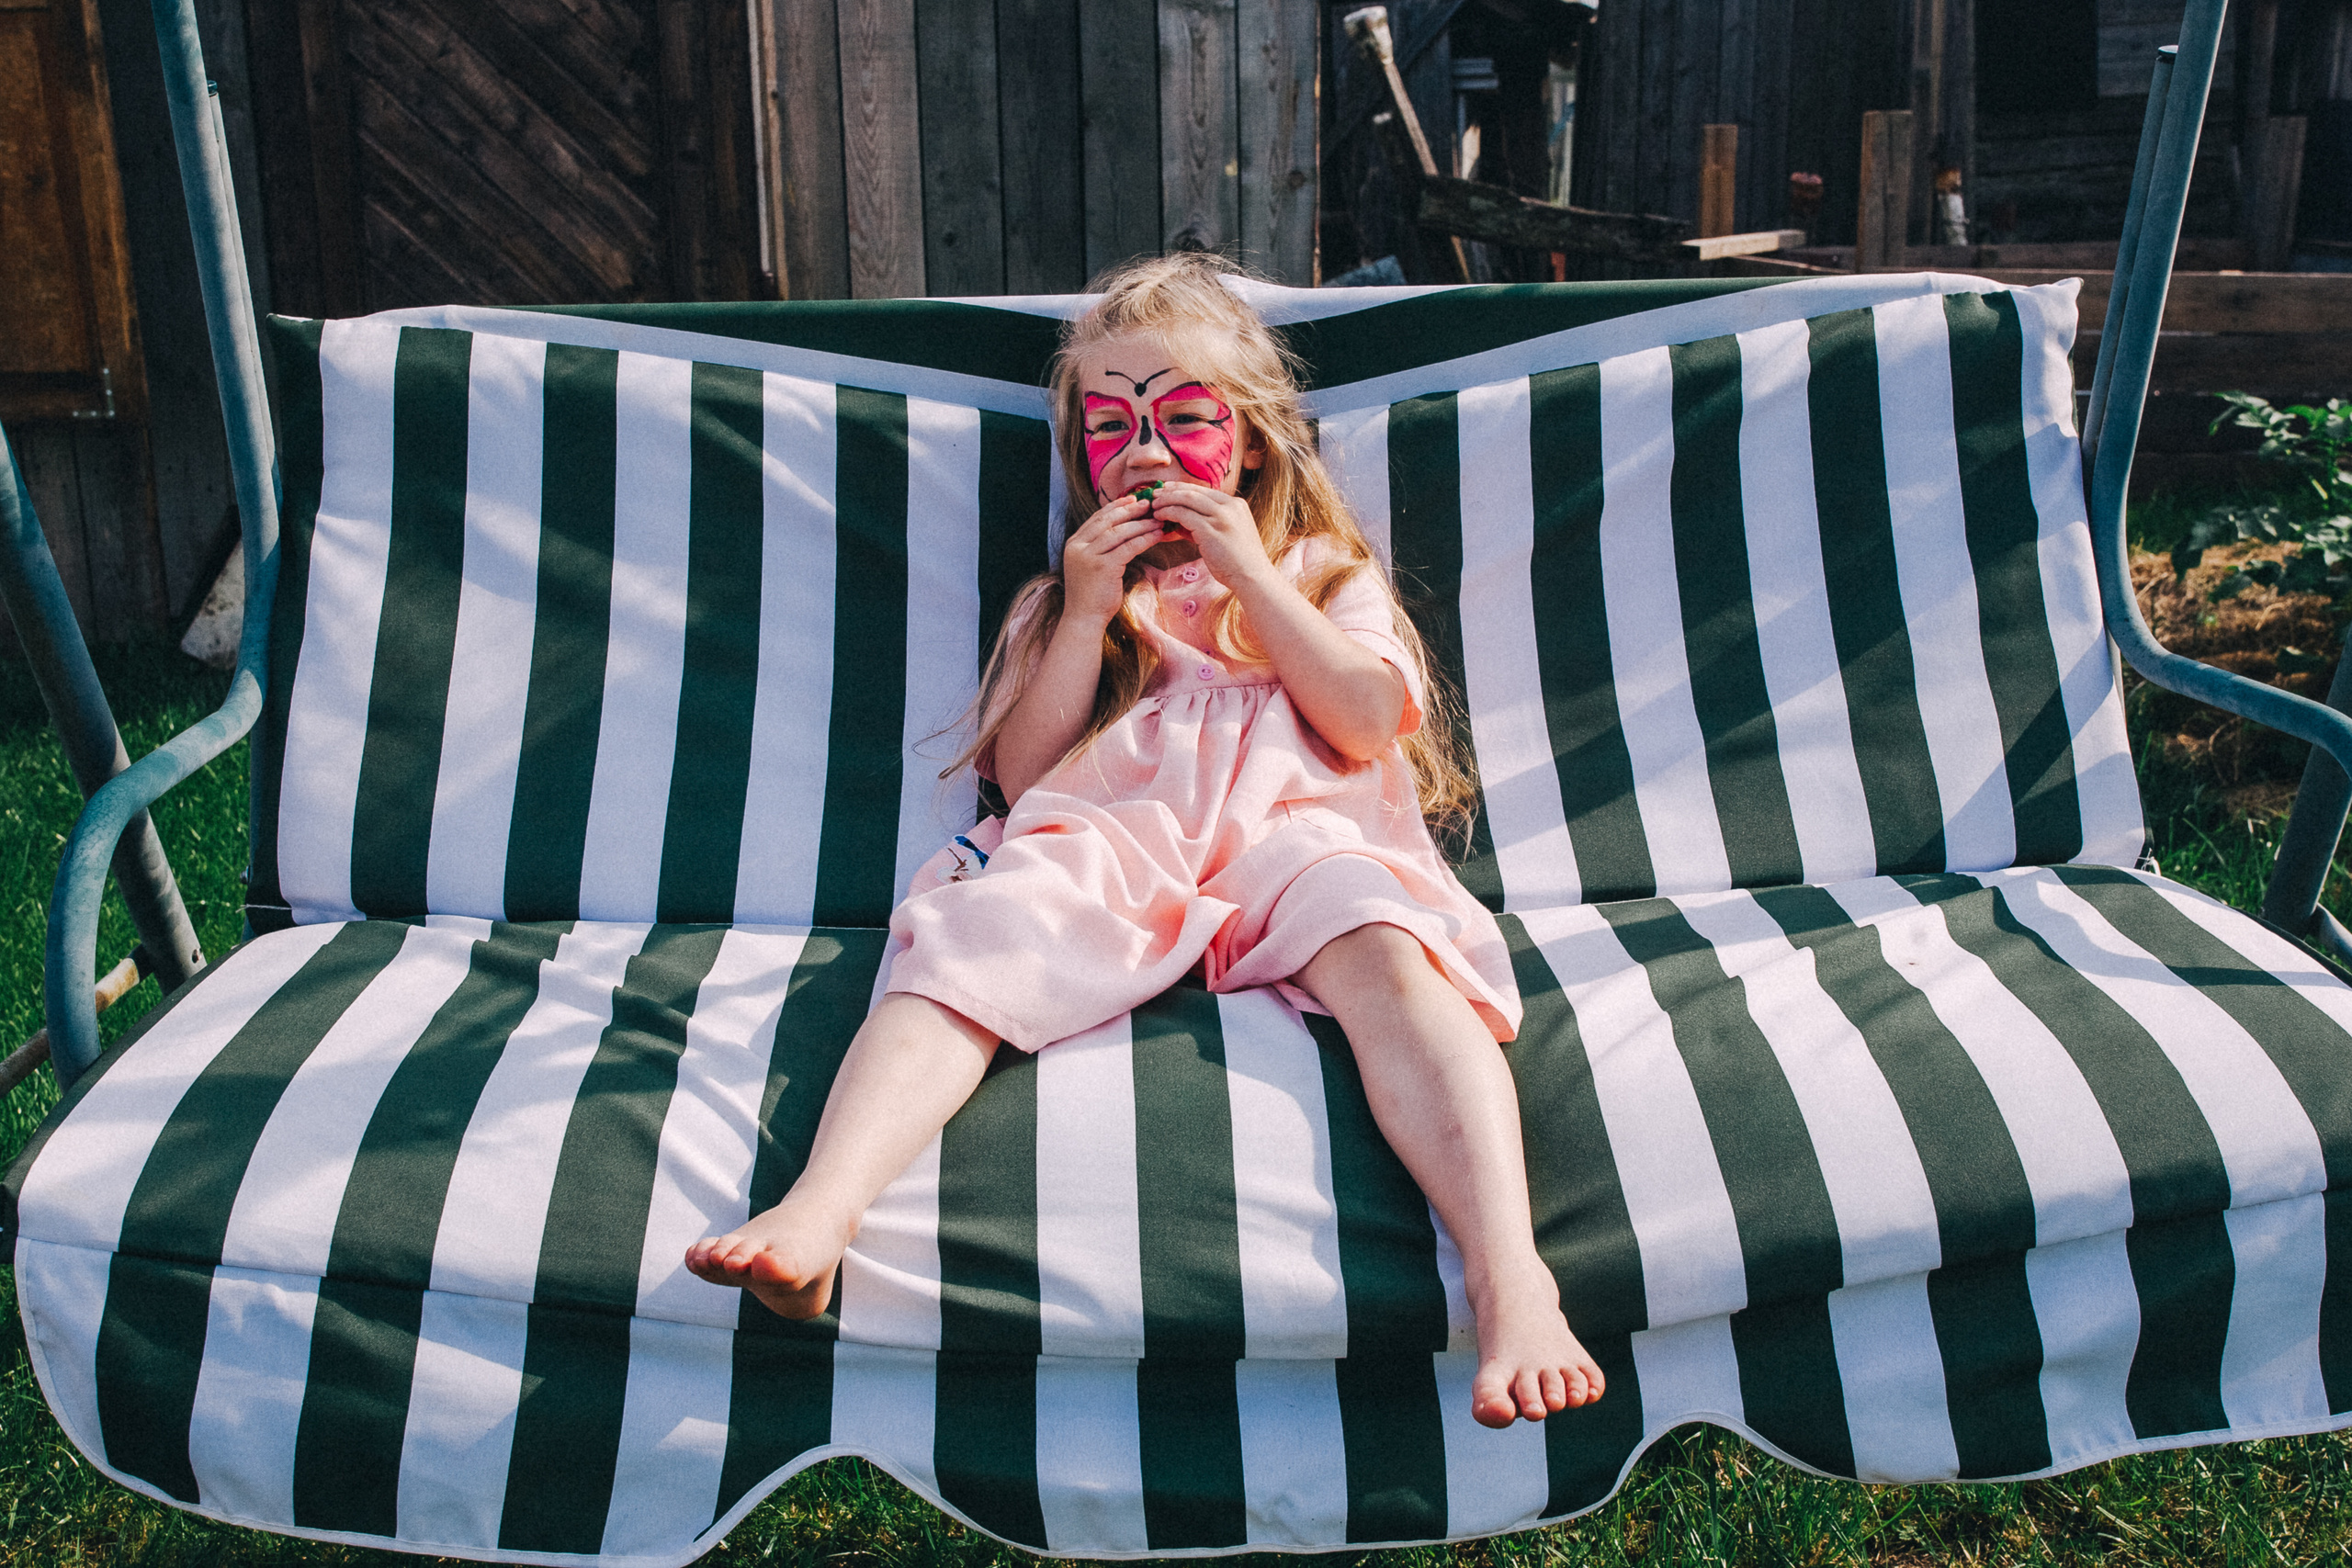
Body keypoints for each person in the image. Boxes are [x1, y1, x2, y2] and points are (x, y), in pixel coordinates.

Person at [688, 254, 1602, 1427]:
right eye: (1111, 427)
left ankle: (1511, 1274)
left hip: (1299, 832)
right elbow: (1019, 779)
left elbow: (1369, 720)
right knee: (971, 938)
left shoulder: (1319, 573)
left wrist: (1247, 575)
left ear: (1254, 442)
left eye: (1182, 419)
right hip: (1115, 841)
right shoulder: (1068, 597)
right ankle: (820, 1212)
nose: (1146, 451)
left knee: (1389, 954)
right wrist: (1077, 611)